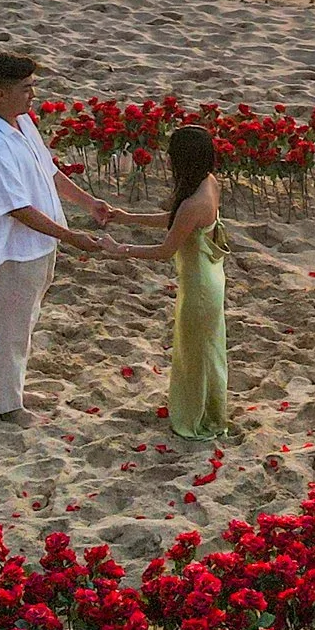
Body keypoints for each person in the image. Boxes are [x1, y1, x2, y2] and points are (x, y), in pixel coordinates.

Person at [0, 49, 116, 421]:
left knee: (26, 320)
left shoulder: (22, 123)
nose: (33, 94)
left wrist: (86, 202)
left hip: (40, 245)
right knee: (12, 327)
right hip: (17, 249)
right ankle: (5, 406)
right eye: (26, 87)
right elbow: (17, 208)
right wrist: (73, 237)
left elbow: (47, 170)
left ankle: (12, 390)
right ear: (0, 94)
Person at [100, 124, 230, 440]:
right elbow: (175, 223)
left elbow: (164, 250)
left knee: (194, 356)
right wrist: (126, 217)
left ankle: (195, 418)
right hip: (210, 278)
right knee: (208, 352)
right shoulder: (208, 185)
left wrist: (121, 250)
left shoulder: (192, 202)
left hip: (198, 287)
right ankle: (211, 411)